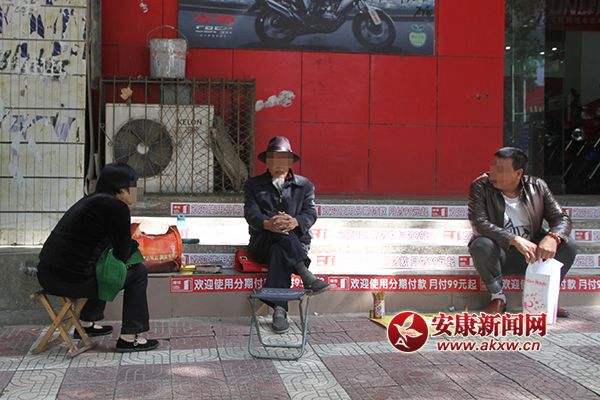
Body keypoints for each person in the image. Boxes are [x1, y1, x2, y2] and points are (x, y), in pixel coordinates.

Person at [37, 163, 159, 352]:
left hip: (47, 276)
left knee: (101, 264)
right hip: (72, 282)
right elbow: (123, 252)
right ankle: (130, 337)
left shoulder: (89, 200)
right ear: (121, 188)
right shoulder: (117, 207)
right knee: (138, 272)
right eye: (134, 187)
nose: (136, 193)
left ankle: (86, 323)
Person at [468, 147, 577, 315]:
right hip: (500, 254)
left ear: (518, 174)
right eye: (493, 167)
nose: (493, 173)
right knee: (481, 244)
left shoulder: (537, 186)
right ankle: (498, 297)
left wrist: (553, 237)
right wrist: (513, 239)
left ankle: (545, 298)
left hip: (532, 255)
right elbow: (479, 223)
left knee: (568, 244)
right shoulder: (481, 186)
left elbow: (561, 218)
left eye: (501, 170)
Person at [244, 136, 329, 334]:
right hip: (262, 243)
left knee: (279, 249)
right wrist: (268, 224)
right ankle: (304, 272)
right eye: (274, 160)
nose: (279, 165)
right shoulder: (253, 185)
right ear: (267, 162)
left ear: (290, 162)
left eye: (283, 160)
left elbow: (311, 213)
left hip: (294, 243)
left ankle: (279, 310)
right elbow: (251, 214)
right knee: (277, 237)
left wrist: (295, 222)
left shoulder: (304, 185)